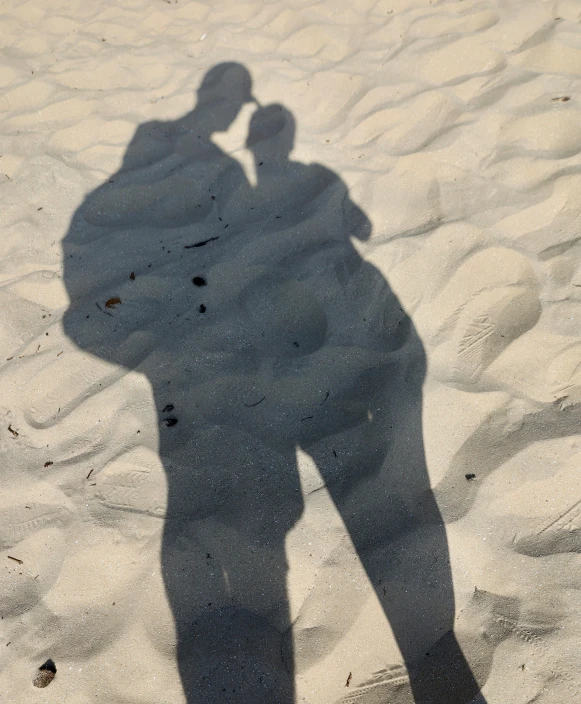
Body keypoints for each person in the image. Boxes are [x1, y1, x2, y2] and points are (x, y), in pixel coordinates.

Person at [63, 66, 486, 702]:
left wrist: (151, 361)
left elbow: (82, 314)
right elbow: (362, 228)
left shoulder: (159, 187)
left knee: (257, 532)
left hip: (223, 380)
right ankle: (441, 672)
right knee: (362, 508)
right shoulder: (239, 179)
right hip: (245, 378)